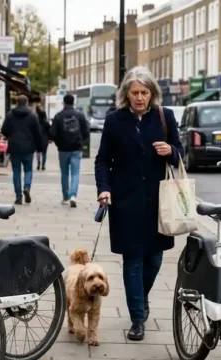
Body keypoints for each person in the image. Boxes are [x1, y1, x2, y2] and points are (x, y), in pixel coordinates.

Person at [94, 66, 182, 341]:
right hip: (125, 201)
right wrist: (104, 189)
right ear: (126, 94)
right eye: (135, 93)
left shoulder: (165, 117)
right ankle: (137, 318)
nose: (140, 97)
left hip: (158, 202)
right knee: (132, 260)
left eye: (145, 92)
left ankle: (140, 298)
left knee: (154, 258)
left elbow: (180, 154)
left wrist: (171, 151)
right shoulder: (115, 120)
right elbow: (102, 160)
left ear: (152, 93)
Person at [1, 95, 44, 204]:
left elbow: (4, 130)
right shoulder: (33, 116)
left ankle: (18, 197)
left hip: (14, 147)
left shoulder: (10, 115)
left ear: (17, 102)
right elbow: (38, 133)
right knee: (28, 170)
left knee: (16, 172)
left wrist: (11, 135)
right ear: (27, 103)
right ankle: (27, 187)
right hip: (28, 147)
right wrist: (40, 147)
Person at [50, 93, 90, 207]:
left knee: (64, 173)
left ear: (64, 102)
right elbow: (86, 131)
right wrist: (81, 141)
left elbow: (53, 133)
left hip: (63, 149)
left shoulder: (58, 116)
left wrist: (58, 143)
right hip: (77, 148)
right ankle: (73, 195)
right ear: (73, 102)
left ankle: (66, 197)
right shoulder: (80, 115)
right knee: (75, 173)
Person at [36, 105, 51, 170]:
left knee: (38, 152)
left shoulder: (36, 122)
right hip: (45, 139)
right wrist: (50, 139)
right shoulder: (46, 122)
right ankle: (43, 165)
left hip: (38, 139)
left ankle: (38, 163)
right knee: (44, 153)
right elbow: (49, 131)